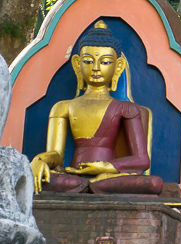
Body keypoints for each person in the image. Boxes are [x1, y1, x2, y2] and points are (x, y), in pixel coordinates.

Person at [27, 21, 163, 195]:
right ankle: (90, 187)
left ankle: (92, 186)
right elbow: (57, 155)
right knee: (34, 178)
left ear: (118, 66)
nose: (96, 68)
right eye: (88, 61)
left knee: (154, 183)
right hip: (73, 175)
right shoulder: (62, 107)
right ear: (77, 64)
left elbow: (142, 160)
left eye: (105, 62)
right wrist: (39, 161)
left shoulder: (126, 109)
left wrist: (107, 167)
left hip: (107, 176)